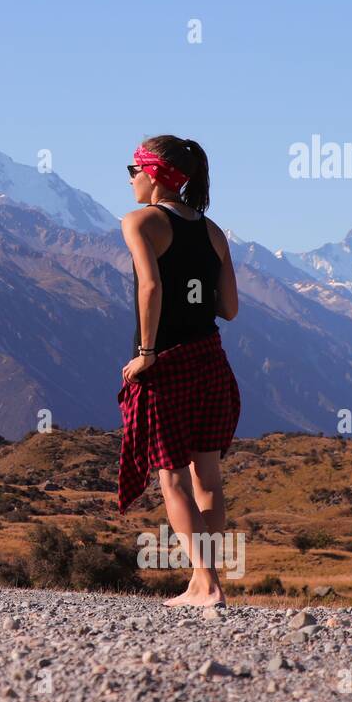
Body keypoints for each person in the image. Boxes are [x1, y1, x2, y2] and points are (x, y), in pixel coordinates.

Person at [116, 136, 241, 607]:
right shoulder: (213, 233)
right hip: (209, 359)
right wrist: (195, 298)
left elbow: (150, 286)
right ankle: (202, 580)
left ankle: (205, 585)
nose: (130, 178)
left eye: (135, 169)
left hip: (166, 364)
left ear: (155, 175)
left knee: (171, 479)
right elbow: (229, 308)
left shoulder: (140, 222)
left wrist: (147, 351)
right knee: (207, 478)